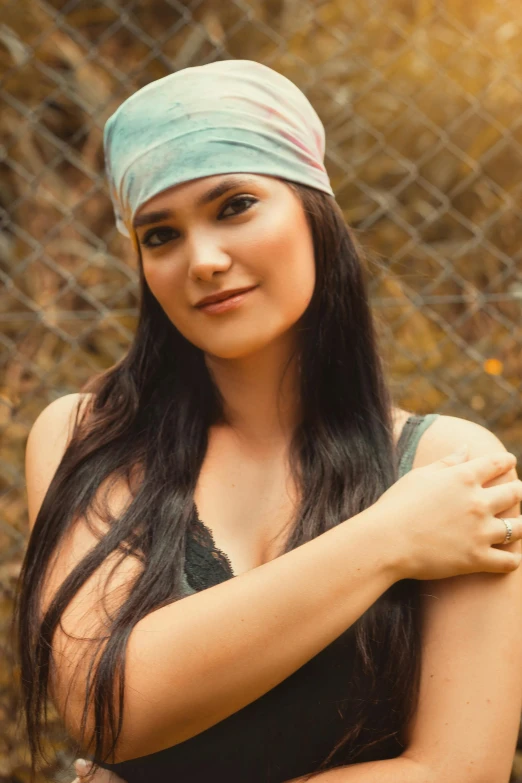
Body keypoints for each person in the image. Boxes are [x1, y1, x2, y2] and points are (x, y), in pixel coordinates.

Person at [14, 59, 522, 783]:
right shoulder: (86, 436)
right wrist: (389, 538)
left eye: (235, 205)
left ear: (314, 212)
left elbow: (459, 769)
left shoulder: (449, 462)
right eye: (160, 235)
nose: (205, 260)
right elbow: (109, 708)